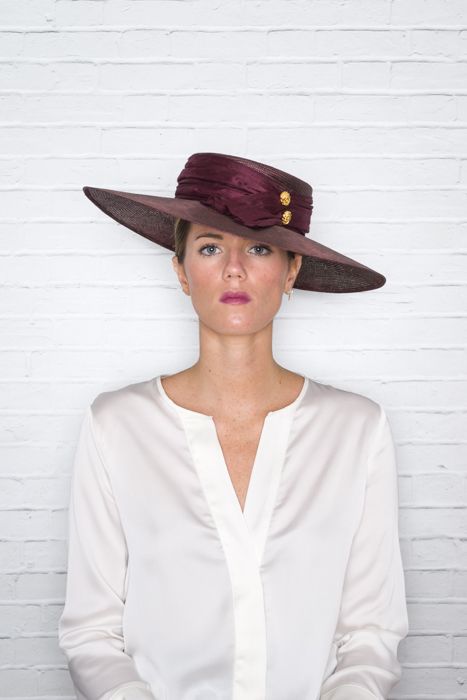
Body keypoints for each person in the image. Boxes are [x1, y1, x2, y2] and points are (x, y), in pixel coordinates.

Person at [58, 152, 409, 700]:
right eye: (210, 247)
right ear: (181, 271)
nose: (234, 269)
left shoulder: (356, 429)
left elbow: (370, 632)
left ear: (292, 271)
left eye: (260, 248)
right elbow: (91, 632)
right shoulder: (117, 425)